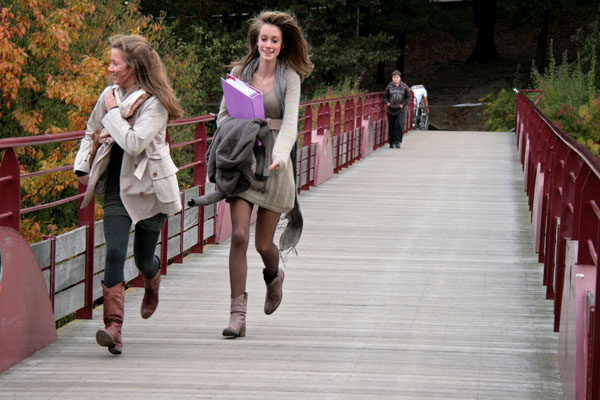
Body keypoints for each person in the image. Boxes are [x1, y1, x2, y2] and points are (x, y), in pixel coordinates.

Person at [73, 34, 184, 355]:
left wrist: (112, 114)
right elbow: (91, 131)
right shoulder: (109, 95)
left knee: (142, 258)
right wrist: (82, 167)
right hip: (117, 187)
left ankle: (152, 279)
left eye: (115, 63)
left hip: (150, 187)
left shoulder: (155, 103)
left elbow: (134, 143)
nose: (109, 69)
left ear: (133, 66)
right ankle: (114, 327)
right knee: (113, 252)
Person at [216, 10, 313, 338]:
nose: (268, 45)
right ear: (256, 42)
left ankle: (274, 277)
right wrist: (240, 130)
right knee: (239, 236)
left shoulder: (290, 78)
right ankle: (237, 315)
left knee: (262, 244)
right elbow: (222, 116)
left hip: (274, 164)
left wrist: (280, 156)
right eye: (263, 39)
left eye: (274, 40)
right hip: (244, 159)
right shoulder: (240, 72)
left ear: (282, 45)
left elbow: (290, 125)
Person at [383, 70, 411, 148]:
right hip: (390, 109)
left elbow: (408, 97)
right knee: (391, 126)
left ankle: (398, 141)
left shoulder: (404, 86)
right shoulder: (389, 86)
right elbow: (385, 97)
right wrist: (387, 103)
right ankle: (391, 142)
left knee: (399, 125)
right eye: (394, 77)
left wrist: (403, 104)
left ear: (400, 78)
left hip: (400, 109)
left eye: (397, 77)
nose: (395, 79)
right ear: (392, 78)